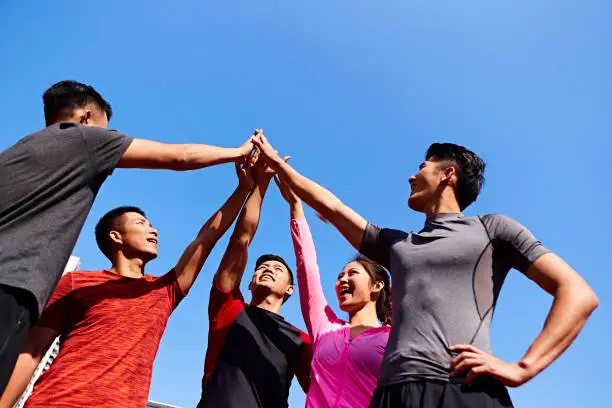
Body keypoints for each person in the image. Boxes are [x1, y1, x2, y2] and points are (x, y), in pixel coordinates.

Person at [253, 133, 599, 408]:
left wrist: (523, 368)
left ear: (449, 174)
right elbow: (333, 206)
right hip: (391, 395)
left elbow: (578, 293)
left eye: (422, 167)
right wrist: (278, 166)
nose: (411, 175)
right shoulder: (398, 245)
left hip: (460, 389)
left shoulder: (493, 230)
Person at [0, 79, 255, 391]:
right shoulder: (75, 284)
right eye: (140, 223)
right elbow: (33, 351)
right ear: (85, 118)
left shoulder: (161, 292)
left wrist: (246, 188)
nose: (153, 229)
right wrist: (240, 151)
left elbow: (209, 236)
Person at [197, 158, 312, 408]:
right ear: (249, 284)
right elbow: (241, 240)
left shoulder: (302, 340)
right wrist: (262, 183)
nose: (268, 268)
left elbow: (320, 392)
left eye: (277, 269)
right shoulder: (228, 307)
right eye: (261, 268)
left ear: (290, 289)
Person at [276, 177, 391, 408]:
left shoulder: (394, 336)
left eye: (352, 273)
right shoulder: (325, 328)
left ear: (377, 286)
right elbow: (306, 267)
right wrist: (296, 207)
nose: (342, 280)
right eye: (340, 276)